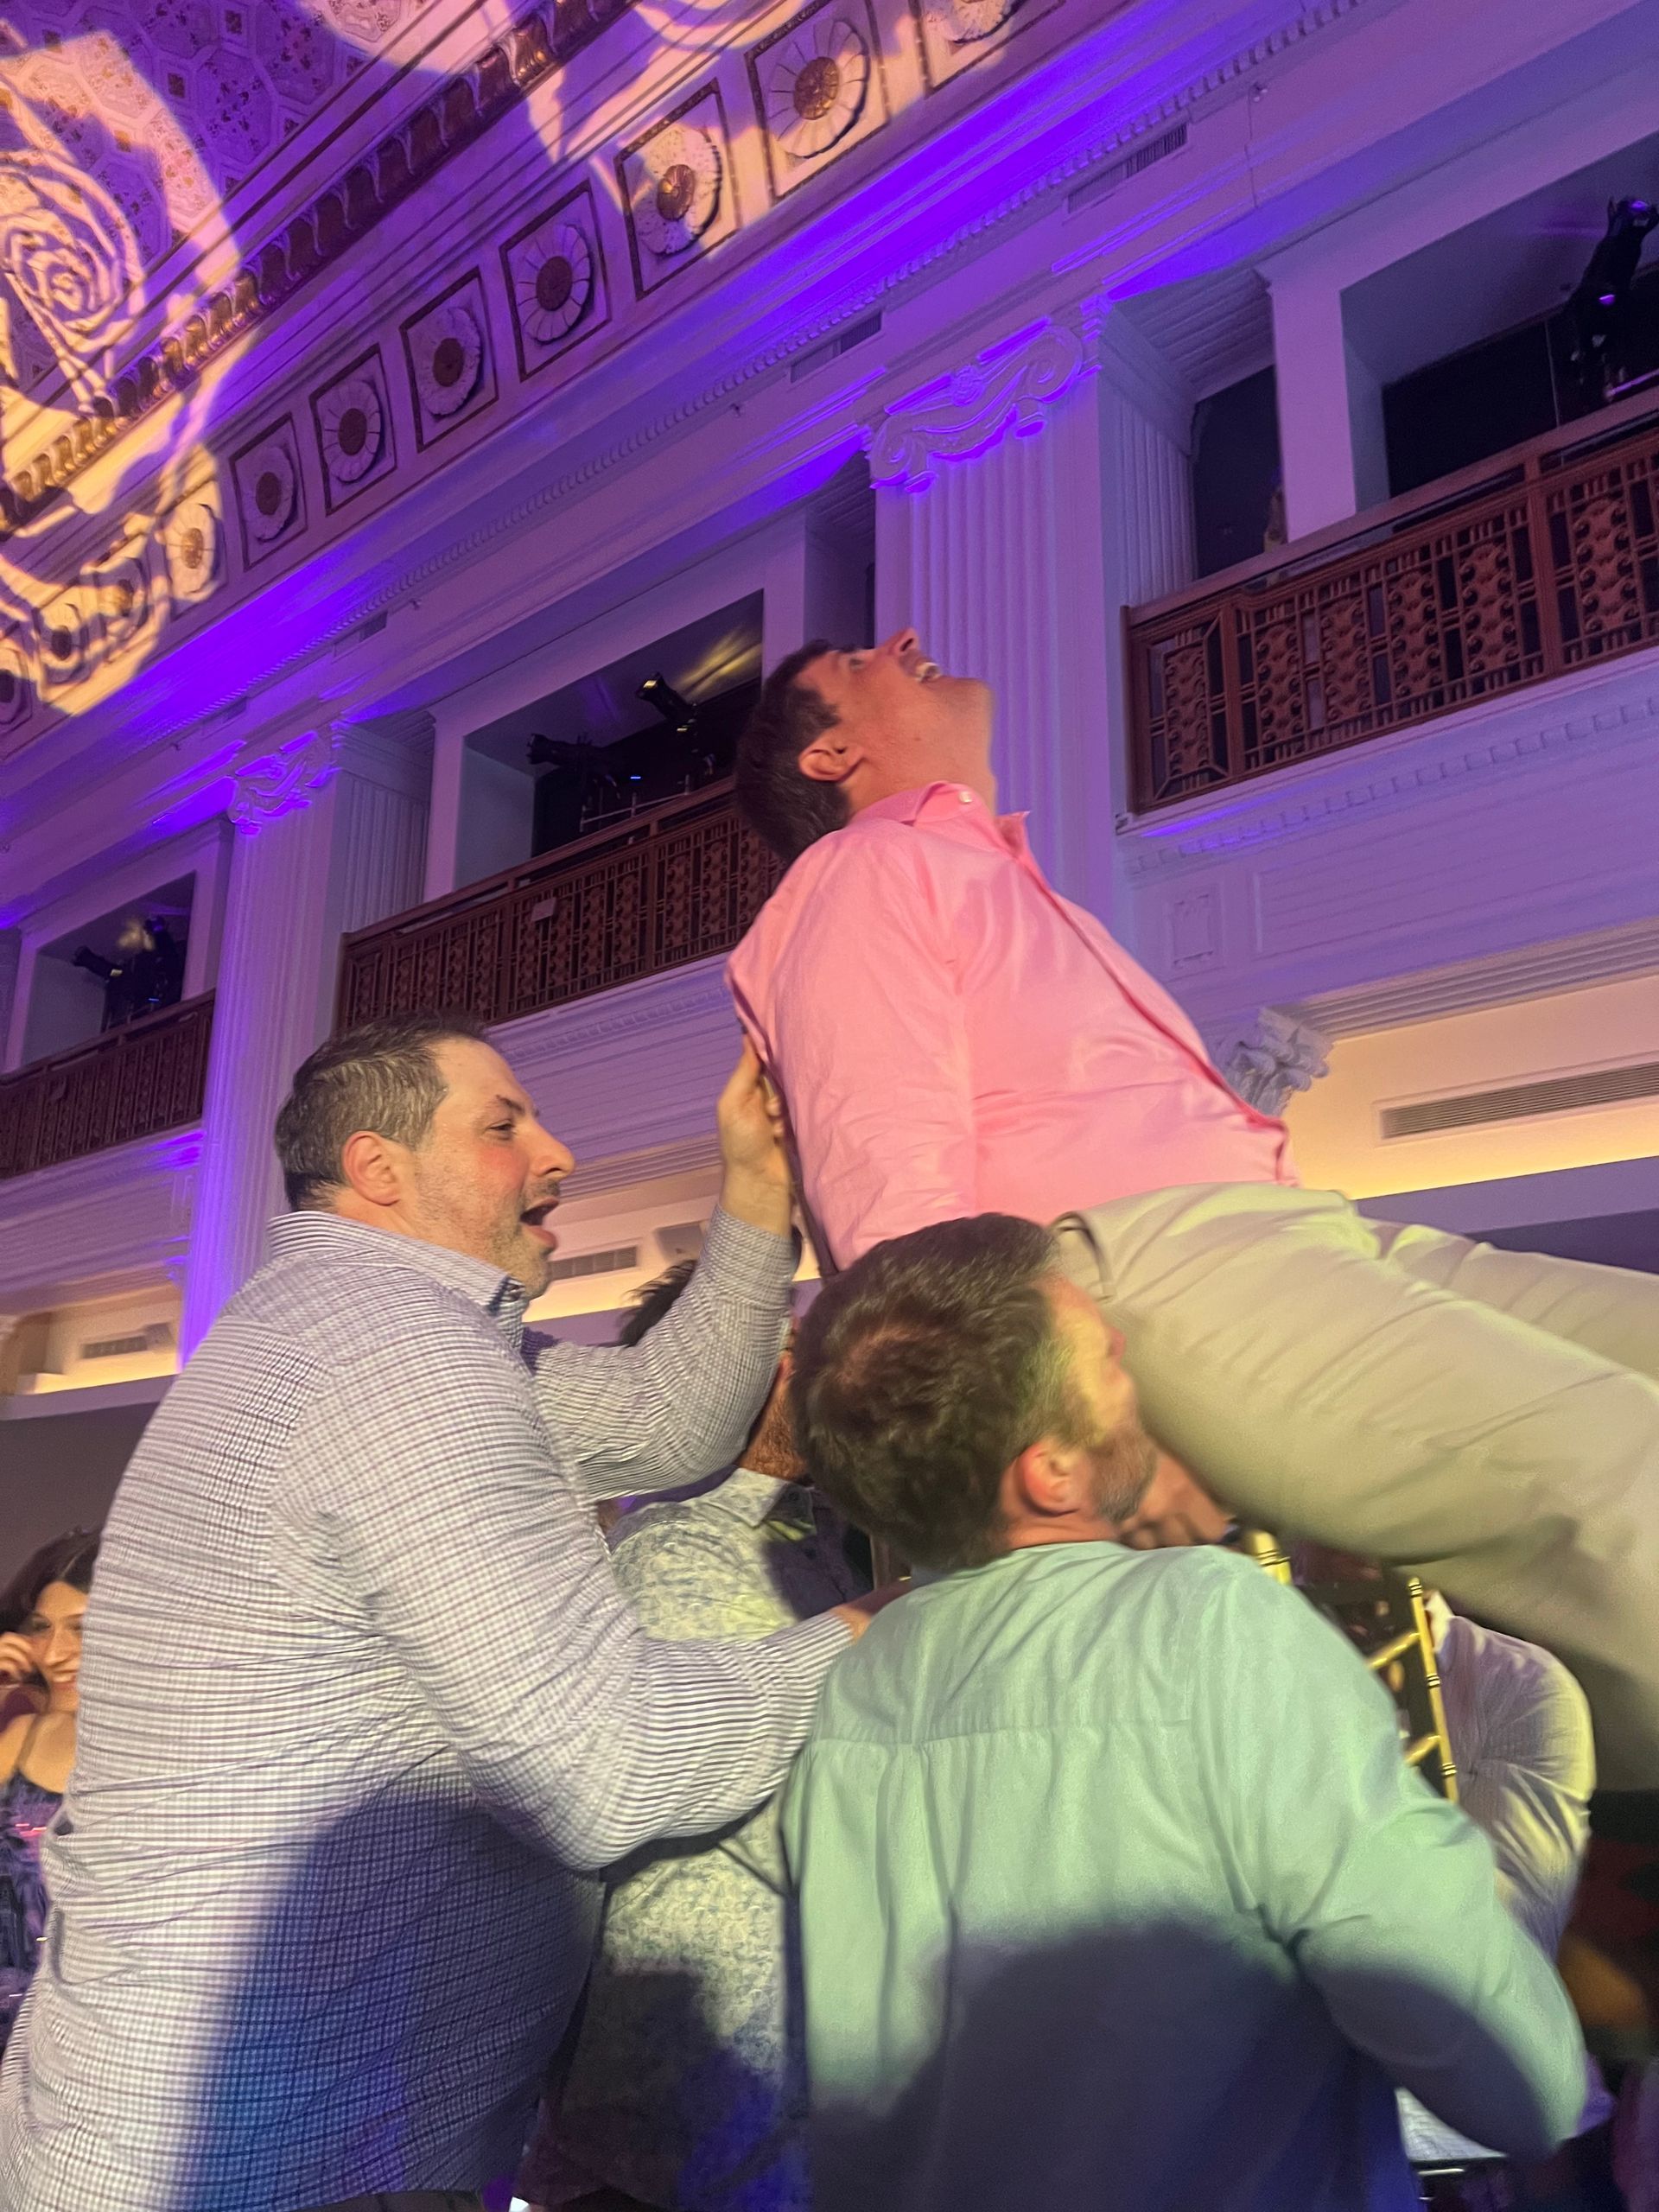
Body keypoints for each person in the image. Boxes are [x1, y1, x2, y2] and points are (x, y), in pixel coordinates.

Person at [726, 628, 1659, 1785]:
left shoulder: (986, 871)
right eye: (862, 656)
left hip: (1296, 1235)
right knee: (1623, 1488)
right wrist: (1061, 1424)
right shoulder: (858, 872)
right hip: (1143, 1274)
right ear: (833, 756)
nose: (906, 641)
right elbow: (890, 1200)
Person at [0, 1012, 892, 2212]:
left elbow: (664, 1424)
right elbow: (610, 1766)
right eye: (503, 1126)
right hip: (277, 2158)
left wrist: (752, 1194)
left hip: (243, 2135)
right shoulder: (400, 1360)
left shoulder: (361, 1331)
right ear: (380, 1168)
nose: (557, 1152)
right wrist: (879, 1631)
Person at [783, 1211, 1589, 2212]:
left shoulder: (842, 1682)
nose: (1141, 1378)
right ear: (1051, 1470)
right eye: (1107, 1358)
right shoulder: (1212, 1623)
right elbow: (1513, 2077)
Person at [524, 1262, 867, 2212]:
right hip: (681, 2139)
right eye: (800, 1351)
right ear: (730, 1374)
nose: (830, 1367)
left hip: (766, 2125)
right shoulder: (677, 1554)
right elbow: (796, 1819)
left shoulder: (824, 1537)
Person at [0, 1529, 98, 2055]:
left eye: (81, 1628)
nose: (56, 1652)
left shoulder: (155, 1752)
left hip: (77, 2031)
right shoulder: (23, 1738)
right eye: (42, 1629)